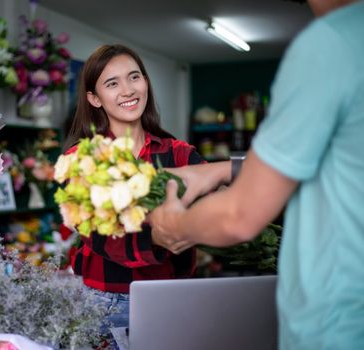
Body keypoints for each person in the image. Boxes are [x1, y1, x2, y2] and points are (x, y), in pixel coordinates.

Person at [149, 0, 364, 348]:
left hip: (341, 324)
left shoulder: (331, 43)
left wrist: (174, 224)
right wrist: (222, 170)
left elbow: (239, 215)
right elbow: (332, 156)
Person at [62, 44, 228, 346]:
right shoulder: (83, 160)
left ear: (146, 82)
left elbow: (220, 203)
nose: (128, 90)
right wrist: (157, 236)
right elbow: (100, 238)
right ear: (94, 98)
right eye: (112, 83)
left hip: (171, 297)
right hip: (105, 305)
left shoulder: (177, 153)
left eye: (134, 77)